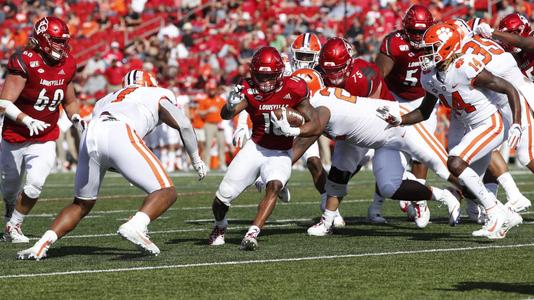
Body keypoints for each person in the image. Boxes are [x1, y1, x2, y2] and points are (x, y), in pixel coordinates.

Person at [17, 70, 208, 260]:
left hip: (91, 133)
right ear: (150, 83)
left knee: (82, 203)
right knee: (166, 191)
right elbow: (183, 125)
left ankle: (40, 245)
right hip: (120, 130)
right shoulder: (157, 93)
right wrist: (196, 159)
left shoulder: (106, 99)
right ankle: (136, 225)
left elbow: (106, 153)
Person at [272, 81, 462, 236]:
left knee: (445, 168)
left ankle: (489, 206)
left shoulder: (323, 106)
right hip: (358, 136)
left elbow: (306, 138)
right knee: (380, 185)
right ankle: (444, 196)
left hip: (397, 127)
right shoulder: (323, 97)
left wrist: (290, 136)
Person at [388, 23, 523, 239]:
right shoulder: (429, 76)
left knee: (455, 162)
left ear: (447, 47)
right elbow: (424, 111)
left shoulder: (466, 66)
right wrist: (399, 120)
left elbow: (509, 88)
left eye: (430, 49)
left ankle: (494, 212)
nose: (424, 55)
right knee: (468, 187)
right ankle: (508, 215)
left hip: (490, 124)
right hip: (470, 125)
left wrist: (516, 122)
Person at [207, 46, 316, 250]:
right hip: (255, 148)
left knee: (274, 185)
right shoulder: (248, 87)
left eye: (270, 76)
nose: (265, 81)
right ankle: (220, 225)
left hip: (281, 152)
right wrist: (230, 106)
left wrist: (295, 131)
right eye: (260, 76)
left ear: (280, 74)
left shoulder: (294, 87)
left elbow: (315, 122)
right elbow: (226, 115)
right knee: (223, 197)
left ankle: (252, 233)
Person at [1, 16, 84, 243]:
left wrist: (76, 117)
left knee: (35, 184)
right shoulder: (24, 60)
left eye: (63, 41)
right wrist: (26, 120)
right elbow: (3, 102)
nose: (61, 46)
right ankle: (10, 209)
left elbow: (69, 99)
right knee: (9, 189)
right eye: (56, 41)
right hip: (15, 135)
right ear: (43, 39)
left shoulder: (67, 63)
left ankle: (14, 224)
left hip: (45, 136)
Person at [448, 18, 531, 221]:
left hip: (520, 99)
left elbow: (525, 44)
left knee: (526, 155)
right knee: (484, 152)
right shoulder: (488, 52)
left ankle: (506, 198)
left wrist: (492, 32)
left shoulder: (472, 52)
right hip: (508, 101)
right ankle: (493, 202)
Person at [374, 5, 435, 223]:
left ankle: (419, 202)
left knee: (422, 153)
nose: (419, 36)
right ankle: (377, 205)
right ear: (406, 28)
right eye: (415, 31)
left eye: (423, 31)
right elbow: (378, 76)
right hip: (396, 99)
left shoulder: (436, 39)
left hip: (424, 99)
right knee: (389, 150)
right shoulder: (394, 43)